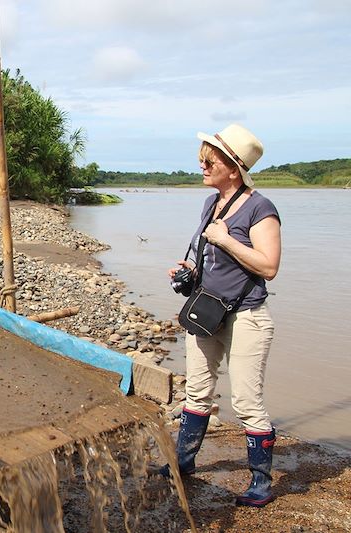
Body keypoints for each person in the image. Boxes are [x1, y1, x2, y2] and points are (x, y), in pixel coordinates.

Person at [165, 124, 281, 507]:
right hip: (208, 311)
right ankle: (183, 463)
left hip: (247, 316)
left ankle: (260, 483)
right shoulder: (210, 203)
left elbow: (269, 266)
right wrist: (190, 271)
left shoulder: (261, 208)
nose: (201, 165)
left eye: (208, 159)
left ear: (234, 166)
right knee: (196, 391)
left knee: (247, 401)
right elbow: (213, 258)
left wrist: (226, 239)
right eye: (202, 158)